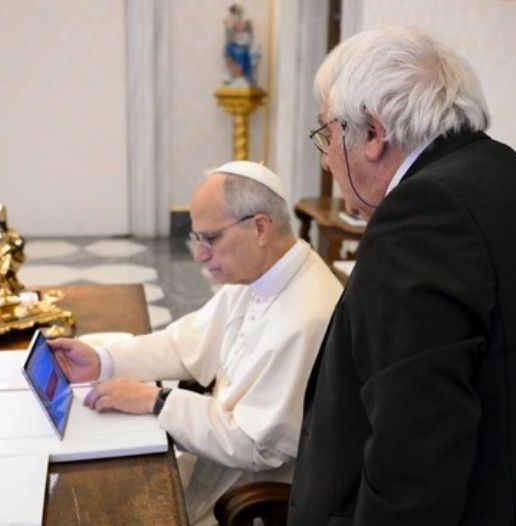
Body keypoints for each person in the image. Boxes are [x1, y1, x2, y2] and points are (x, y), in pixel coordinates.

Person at [288, 27, 516, 524]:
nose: (327, 159)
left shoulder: (419, 218)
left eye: (328, 135)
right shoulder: (507, 174)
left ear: (373, 133)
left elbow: (412, 459)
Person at [49, 161, 342, 526]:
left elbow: (256, 444)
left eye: (210, 238)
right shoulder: (262, 275)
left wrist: (156, 401)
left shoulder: (307, 314)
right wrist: (102, 360)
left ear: (260, 228)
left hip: (247, 497)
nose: (200, 255)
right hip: (212, 465)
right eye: (197, 238)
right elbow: (183, 343)